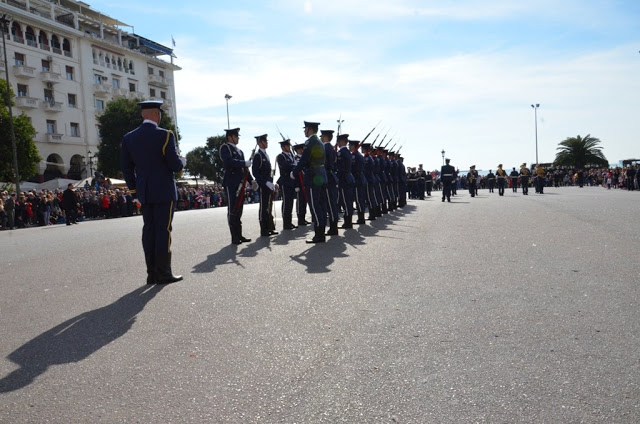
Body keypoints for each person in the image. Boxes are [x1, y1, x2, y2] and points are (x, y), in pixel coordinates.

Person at [120, 100, 185, 284]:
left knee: (148, 230)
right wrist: (182, 162)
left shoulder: (128, 138)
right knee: (163, 230)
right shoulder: (165, 135)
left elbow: (126, 168)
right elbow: (174, 165)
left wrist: (134, 192)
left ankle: (151, 273)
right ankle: (164, 272)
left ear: (143, 115)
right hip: (164, 190)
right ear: (157, 114)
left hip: (144, 193)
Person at [291, 121, 327, 243]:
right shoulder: (320, 142)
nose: (304, 131)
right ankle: (321, 232)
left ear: (310, 129)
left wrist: (294, 172)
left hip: (312, 177)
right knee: (321, 205)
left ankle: (318, 235)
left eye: (305, 128)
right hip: (321, 175)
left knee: (314, 206)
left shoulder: (309, 142)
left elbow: (304, 160)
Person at [220, 127, 256, 245]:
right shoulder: (225, 148)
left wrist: (251, 181)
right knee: (232, 209)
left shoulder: (240, 151)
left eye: (237, 136)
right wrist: (243, 163)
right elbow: (228, 162)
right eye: (235, 136)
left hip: (241, 183)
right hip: (231, 183)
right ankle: (234, 236)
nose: (237, 138)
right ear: (229, 137)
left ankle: (239, 234)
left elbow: (244, 169)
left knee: (239, 209)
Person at [252, 134, 279, 237]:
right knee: (264, 207)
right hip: (263, 185)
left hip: (268, 185)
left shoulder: (265, 155)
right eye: (264, 141)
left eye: (266, 141)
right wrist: (265, 182)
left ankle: (269, 227)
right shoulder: (258, 155)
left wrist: (271, 181)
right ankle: (264, 229)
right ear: (259, 143)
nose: (266, 143)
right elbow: (255, 172)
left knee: (268, 206)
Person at [321, 129, 340, 235]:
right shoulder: (331, 148)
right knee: (332, 203)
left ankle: (333, 228)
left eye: (322, 136)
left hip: (327, 177)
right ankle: (333, 226)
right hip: (331, 177)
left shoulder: (325, 148)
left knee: (330, 203)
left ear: (325, 137)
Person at [275, 139, 297, 230]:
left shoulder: (291, 156)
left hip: (291, 181)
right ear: (283, 147)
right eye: (287, 146)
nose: (289, 147)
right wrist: (295, 165)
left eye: (289, 146)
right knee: (286, 202)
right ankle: (286, 223)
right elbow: (285, 166)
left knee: (290, 202)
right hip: (285, 181)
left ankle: (289, 221)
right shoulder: (280, 156)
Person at [336, 134, 355, 228]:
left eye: (338, 141)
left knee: (345, 201)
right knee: (348, 200)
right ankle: (348, 221)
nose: (338, 143)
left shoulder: (341, 152)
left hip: (343, 178)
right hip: (348, 177)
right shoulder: (347, 152)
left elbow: (339, 167)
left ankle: (347, 222)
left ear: (342, 141)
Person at [292, 143, 309, 226]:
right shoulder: (295, 159)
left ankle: (303, 217)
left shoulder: (304, 158)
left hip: (305, 182)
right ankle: (300, 219)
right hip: (299, 183)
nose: (302, 150)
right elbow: (295, 173)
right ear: (297, 150)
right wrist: (296, 185)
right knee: (300, 202)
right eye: (300, 149)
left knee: (305, 201)